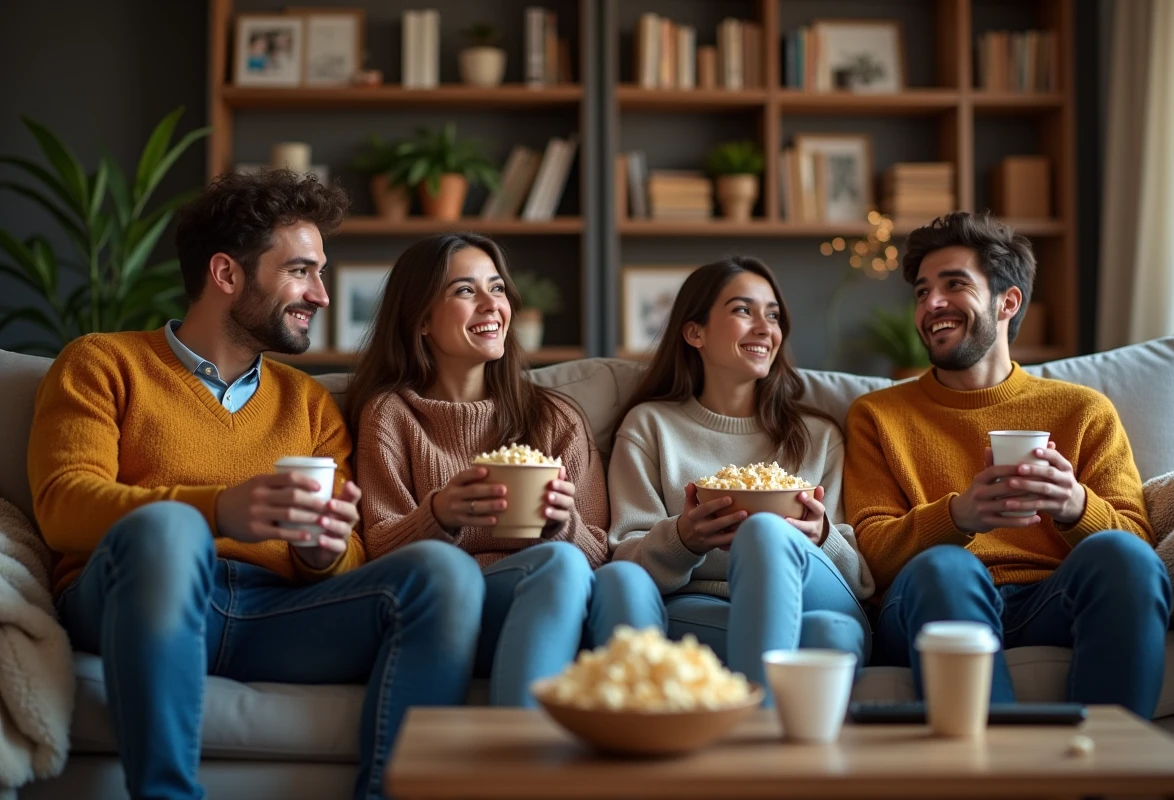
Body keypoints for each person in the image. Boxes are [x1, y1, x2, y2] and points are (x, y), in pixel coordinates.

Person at [27, 170, 484, 800]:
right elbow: (62, 506)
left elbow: (348, 555)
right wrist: (216, 510)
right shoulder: (103, 363)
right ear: (226, 274)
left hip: (272, 612)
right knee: (171, 528)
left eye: (320, 272)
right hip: (134, 596)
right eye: (301, 271)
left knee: (442, 573)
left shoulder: (310, 405)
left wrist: (322, 550)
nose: (321, 295)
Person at [843, 211, 1170, 718]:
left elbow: (1141, 548)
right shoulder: (878, 416)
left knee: (1123, 558)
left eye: (954, 284)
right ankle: (993, 775)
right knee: (947, 566)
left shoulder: (1083, 410)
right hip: (932, 599)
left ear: (1007, 301)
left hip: (1051, 600)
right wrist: (958, 517)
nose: (932, 304)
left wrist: (1075, 505)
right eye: (922, 292)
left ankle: (1106, 772)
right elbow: (872, 558)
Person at [346, 233, 663, 708]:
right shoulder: (389, 416)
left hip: (557, 599)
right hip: (448, 612)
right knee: (558, 565)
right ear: (422, 319)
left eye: (496, 288)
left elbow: (599, 548)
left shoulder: (554, 417)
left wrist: (563, 525)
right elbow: (377, 549)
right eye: (464, 291)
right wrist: (440, 514)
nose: (491, 305)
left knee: (579, 567)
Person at [607, 256, 874, 704]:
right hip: (702, 604)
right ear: (695, 333)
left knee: (768, 533)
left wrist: (821, 535)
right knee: (831, 634)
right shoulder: (650, 426)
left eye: (773, 315)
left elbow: (859, 578)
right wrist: (683, 538)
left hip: (814, 593)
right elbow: (622, 554)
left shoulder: (819, 435)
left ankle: (756, 746)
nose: (764, 328)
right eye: (742, 310)